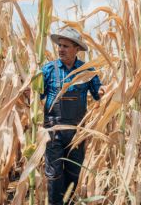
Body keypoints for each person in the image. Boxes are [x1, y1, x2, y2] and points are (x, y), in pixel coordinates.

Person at [41, 27, 104, 204]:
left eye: (66, 46)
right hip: (53, 131)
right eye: (59, 45)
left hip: (77, 131)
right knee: (54, 175)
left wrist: (103, 90)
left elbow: (98, 93)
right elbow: (35, 96)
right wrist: (28, 91)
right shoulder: (48, 70)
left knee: (73, 173)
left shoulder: (86, 70)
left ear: (76, 48)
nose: (61, 49)